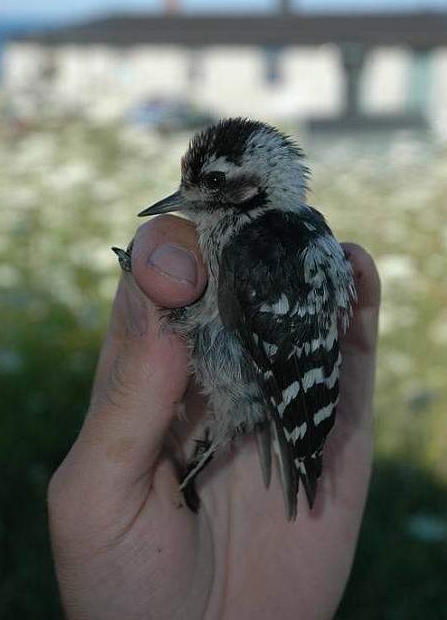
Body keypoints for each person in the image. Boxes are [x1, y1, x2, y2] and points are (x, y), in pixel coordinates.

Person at [48, 214, 380, 620]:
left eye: (214, 183)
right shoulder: (293, 228)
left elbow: (219, 334)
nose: (188, 203)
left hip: (245, 386)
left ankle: (196, 467)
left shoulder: (259, 243)